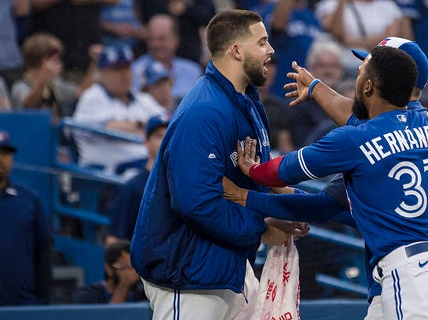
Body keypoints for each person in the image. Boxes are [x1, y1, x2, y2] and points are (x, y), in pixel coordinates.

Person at [235, 44, 428, 319]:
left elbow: (281, 171)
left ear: (370, 86)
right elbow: (363, 120)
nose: (357, 77)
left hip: (411, 276)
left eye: (362, 71)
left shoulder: (357, 140)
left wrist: (251, 177)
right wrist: (315, 87)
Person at [129, 10, 306, 320]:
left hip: (227, 265)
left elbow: (248, 181)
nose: (271, 50)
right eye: (262, 42)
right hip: (187, 274)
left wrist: (287, 204)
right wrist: (261, 228)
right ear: (237, 50)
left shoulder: (246, 101)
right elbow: (195, 202)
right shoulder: (205, 111)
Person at [0, 130, 53, 306]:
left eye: (5, 154)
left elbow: (43, 249)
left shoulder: (29, 199)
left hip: (23, 301)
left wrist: (42, 300)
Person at [72, 44, 165, 174]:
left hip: (145, 166)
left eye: (126, 68)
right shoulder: (92, 97)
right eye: (116, 69)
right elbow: (104, 129)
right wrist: (142, 126)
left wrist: (125, 127)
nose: (124, 75)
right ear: (102, 73)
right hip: (109, 174)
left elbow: (166, 127)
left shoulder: (144, 100)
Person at [106, 115, 170, 246]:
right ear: (146, 142)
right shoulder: (133, 187)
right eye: (158, 136)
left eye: (168, 135)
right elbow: (114, 239)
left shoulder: (180, 183)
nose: (164, 141)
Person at [11, 33, 96, 122]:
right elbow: (29, 106)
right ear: (40, 60)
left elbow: (81, 92)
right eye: (54, 60)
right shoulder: (20, 86)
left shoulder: (54, 84)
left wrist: (94, 62)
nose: (60, 64)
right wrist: (42, 80)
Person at [131, 15, 203, 105]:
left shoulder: (193, 71)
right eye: (151, 39)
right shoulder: (135, 71)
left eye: (162, 39)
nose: (155, 44)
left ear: (176, 40)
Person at [74, 240, 146, 303]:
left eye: (135, 268)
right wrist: (123, 288)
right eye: (126, 267)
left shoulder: (142, 294)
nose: (134, 272)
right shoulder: (88, 294)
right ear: (109, 269)